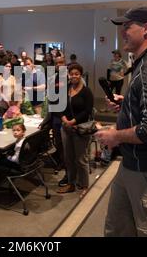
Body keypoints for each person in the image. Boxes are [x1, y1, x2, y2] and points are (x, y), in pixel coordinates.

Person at [95, 6, 147, 237]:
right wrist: (127, 105)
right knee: (118, 228)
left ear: (146, 29)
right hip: (131, 165)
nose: (123, 32)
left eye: (127, 26)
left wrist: (115, 135)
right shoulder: (143, 63)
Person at [56, 63, 93, 198]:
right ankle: (71, 183)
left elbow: (87, 111)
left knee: (81, 159)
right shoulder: (66, 89)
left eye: (76, 74)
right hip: (66, 128)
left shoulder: (86, 91)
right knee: (69, 158)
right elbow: (59, 106)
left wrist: (73, 121)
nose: (74, 76)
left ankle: (84, 186)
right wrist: (64, 119)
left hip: (80, 129)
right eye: (71, 74)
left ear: (80, 75)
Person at [40, 56, 67, 177]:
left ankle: (64, 162)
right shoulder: (54, 78)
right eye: (57, 63)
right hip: (54, 114)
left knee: (63, 141)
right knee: (57, 139)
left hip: (65, 115)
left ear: (65, 63)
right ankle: (59, 157)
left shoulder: (70, 77)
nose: (58, 65)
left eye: (61, 62)